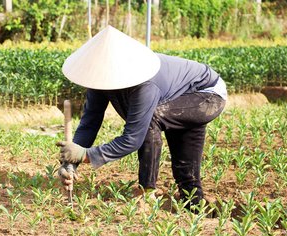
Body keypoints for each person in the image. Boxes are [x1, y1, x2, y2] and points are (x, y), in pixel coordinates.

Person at [57, 26, 227, 208]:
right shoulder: (100, 80)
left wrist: (86, 155)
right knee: (186, 172)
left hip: (207, 95)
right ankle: (194, 205)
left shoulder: (145, 84)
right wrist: (71, 162)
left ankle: (147, 191)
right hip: (177, 95)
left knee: (151, 118)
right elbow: (89, 123)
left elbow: (133, 138)